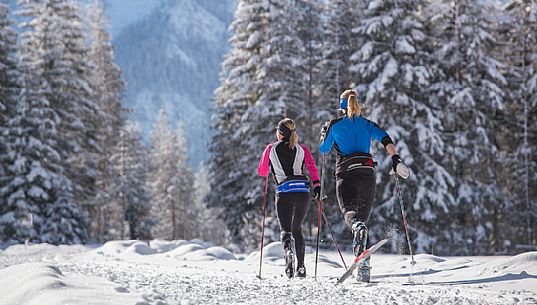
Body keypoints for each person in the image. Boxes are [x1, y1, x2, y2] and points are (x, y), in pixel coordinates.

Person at [319, 89, 409, 282]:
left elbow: (324, 149)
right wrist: (395, 159)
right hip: (367, 173)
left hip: (345, 172)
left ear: (341, 106)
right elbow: (386, 138)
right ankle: (364, 267)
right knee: (362, 223)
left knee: (351, 215)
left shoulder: (335, 125)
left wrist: (323, 134)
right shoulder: (367, 124)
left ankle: (361, 246)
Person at [258, 118, 321, 279]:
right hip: (302, 192)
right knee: (297, 229)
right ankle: (301, 267)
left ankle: (288, 252)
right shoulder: (302, 149)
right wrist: (317, 186)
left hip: (284, 192)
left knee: (286, 230)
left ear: (280, 134)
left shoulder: (271, 148)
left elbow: (262, 172)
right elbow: (312, 168)